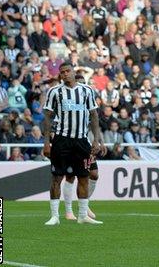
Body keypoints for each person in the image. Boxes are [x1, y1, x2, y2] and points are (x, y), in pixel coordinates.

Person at [42, 62, 104, 225]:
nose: (65, 74)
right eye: (62, 72)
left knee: (84, 176)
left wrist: (96, 140)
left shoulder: (87, 90)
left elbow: (94, 115)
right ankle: (55, 216)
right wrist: (47, 142)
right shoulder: (54, 92)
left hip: (82, 141)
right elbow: (48, 116)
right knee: (57, 177)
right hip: (61, 140)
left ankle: (83, 215)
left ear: (74, 72)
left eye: (67, 71)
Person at [61, 74, 101, 221]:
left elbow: (94, 124)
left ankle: (84, 203)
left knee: (94, 174)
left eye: (85, 83)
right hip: (70, 142)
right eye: (81, 83)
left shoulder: (88, 102)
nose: (84, 86)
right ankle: (68, 211)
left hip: (85, 143)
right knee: (71, 176)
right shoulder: (66, 102)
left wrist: (99, 141)